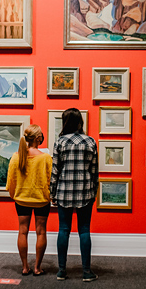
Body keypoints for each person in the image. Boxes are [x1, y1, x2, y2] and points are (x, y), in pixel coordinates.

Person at [50, 108, 99, 282]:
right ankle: (87, 272)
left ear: (65, 122)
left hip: (64, 190)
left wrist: (52, 192)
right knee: (84, 230)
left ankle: (62, 271)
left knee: (64, 229)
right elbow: (94, 171)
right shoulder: (90, 142)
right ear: (80, 122)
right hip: (85, 190)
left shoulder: (60, 142)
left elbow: (55, 170)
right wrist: (94, 191)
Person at [6, 124, 52, 276]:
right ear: (38, 138)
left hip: (21, 200)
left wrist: (15, 195)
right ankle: (38, 268)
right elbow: (50, 180)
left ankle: (25, 267)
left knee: (22, 231)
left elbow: (11, 181)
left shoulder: (16, 156)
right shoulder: (46, 158)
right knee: (41, 232)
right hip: (41, 200)